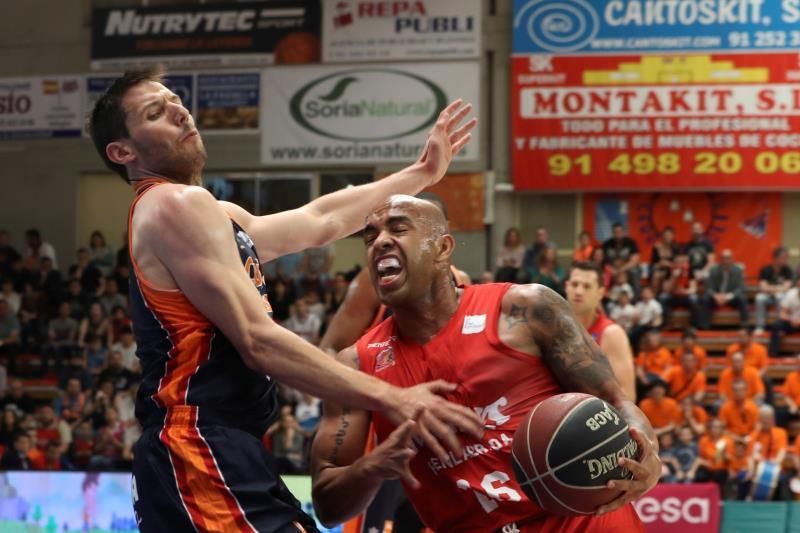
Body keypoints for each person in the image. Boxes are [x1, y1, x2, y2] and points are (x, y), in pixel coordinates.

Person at [89, 67, 482, 531]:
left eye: (176, 101)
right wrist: (394, 398)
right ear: (123, 152)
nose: (180, 111)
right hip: (196, 444)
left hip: (215, 446)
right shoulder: (171, 203)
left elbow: (320, 221)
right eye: (156, 112)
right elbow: (258, 340)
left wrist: (422, 173)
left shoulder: (209, 213)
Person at [311, 196, 659, 532]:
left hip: (586, 524)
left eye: (398, 229)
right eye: (370, 236)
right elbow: (327, 507)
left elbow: (617, 403)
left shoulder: (526, 310)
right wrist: (374, 465)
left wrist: (646, 453)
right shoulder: (357, 365)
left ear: (443, 248)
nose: (380, 242)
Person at [318, 192, 472, 533]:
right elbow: (328, 350)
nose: (387, 240)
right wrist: (379, 395)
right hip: (382, 430)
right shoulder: (371, 283)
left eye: (402, 228)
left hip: (441, 434)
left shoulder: (468, 290)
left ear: (440, 239)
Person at [565, 261, 636, 401]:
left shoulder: (612, 334)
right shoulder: (550, 328)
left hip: (594, 411)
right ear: (566, 287)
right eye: (574, 284)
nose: (579, 291)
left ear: (600, 293)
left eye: (587, 286)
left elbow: (627, 396)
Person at [700, 249, 747, 330]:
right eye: (723, 258)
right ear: (720, 260)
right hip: (717, 297)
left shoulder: (738, 270)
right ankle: (705, 326)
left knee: (742, 298)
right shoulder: (713, 270)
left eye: (728, 258)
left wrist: (727, 297)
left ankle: (744, 325)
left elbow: (740, 288)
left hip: (731, 297)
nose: (726, 261)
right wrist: (716, 296)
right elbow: (708, 287)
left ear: (732, 259)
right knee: (706, 298)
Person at [754, 247, 793, 335]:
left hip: (780, 295)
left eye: (786, 257)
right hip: (768, 296)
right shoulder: (765, 269)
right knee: (759, 298)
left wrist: (771, 288)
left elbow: (787, 288)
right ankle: (760, 326)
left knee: (780, 297)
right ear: (776, 258)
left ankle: (780, 326)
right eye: (783, 257)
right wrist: (778, 288)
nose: (785, 260)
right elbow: (763, 287)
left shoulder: (788, 270)